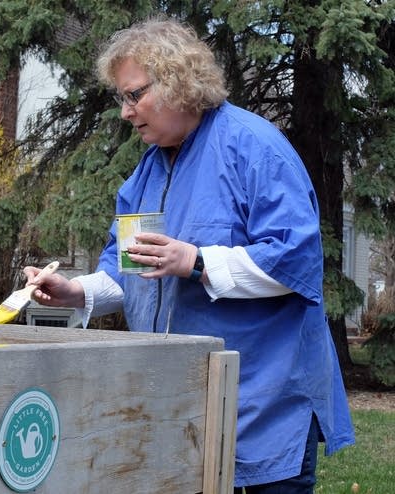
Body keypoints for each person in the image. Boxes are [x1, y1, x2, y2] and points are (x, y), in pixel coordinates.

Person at [24, 17, 355, 492]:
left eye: (134, 94)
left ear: (179, 81)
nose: (125, 111)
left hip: (265, 401)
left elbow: (295, 262)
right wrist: (75, 291)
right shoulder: (146, 173)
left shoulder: (256, 148)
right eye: (122, 97)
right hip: (182, 406)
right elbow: (133, 269)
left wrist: (197, 262)